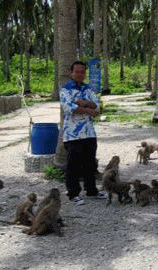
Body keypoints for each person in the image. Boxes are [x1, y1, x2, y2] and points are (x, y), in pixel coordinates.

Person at [60, 60, 105, 205]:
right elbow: (69, 108)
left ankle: (91, 190)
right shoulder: (65, 89)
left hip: (89, 133)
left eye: (82, 71)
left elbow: (97, 108)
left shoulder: (88, 88)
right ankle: (73, 193)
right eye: (77, 71)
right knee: (73, 165)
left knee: (90, 163)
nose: (80, 74)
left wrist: (83, 103)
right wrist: (88, 108)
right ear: (71, 72)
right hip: (73, 134)